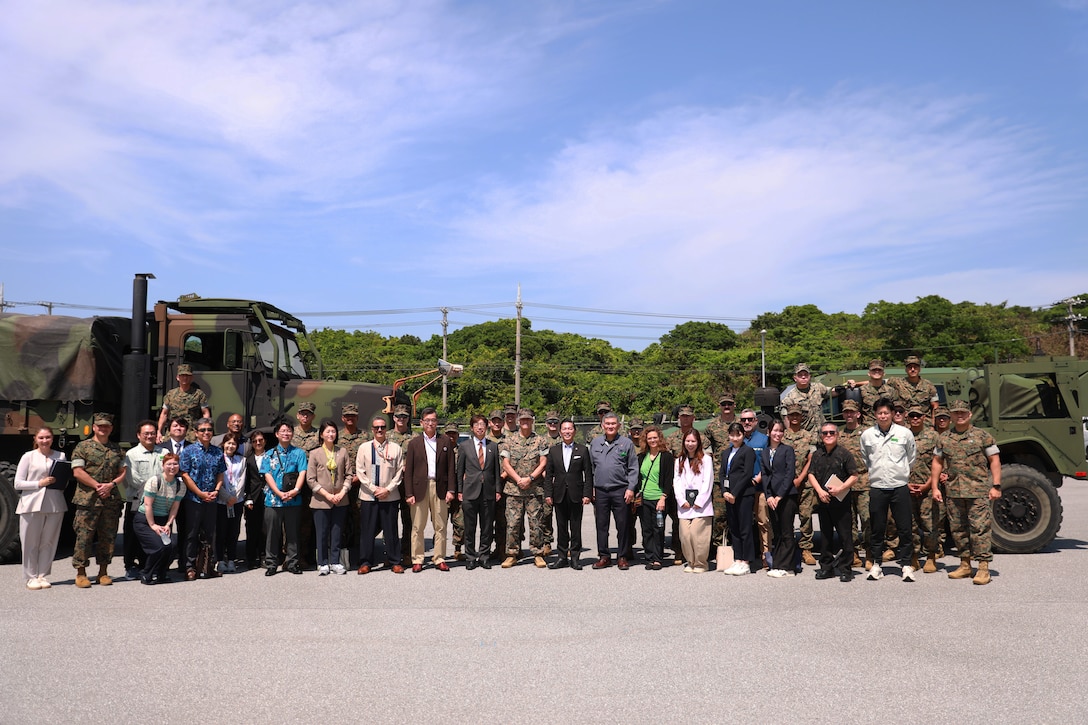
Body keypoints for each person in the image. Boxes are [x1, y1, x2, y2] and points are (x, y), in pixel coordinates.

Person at [930, 399, 1002, 585]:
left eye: (963, 412)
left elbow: (994, 460)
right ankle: (965, 564)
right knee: (958, 529)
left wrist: (996, 485)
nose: (959, 415)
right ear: (951, 416)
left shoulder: (982, 436)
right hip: (954, 491)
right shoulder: (944, 438)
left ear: (970, 414)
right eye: (956, 413)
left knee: (980, 529)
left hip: (978, 491)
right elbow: (937, 462)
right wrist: (935, 487)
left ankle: (983, 568)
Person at [861, 398, 918, 582]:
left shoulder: (904, 433)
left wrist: (901, 472)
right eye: (880, 413)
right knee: (877, 528)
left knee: (904, 527)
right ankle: (876, 564)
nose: (883, 416)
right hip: (878, 486)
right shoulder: (867, 435)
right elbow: (866, 458)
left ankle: (906, 564)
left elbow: (911, 457)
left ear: (893, 414)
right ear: (875, 415)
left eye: (886, 412)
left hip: (899, 486)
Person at [70, 412, 126, 588]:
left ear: (111, 428)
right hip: (88, 500)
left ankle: (103, 571)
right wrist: (97, 486)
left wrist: (111, 485)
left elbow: (123, 472)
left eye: (106, 426)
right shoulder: (83, 447)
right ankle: (81, 572)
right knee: (84, 536)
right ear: (94, 427)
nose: (103, 429)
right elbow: (77, 471)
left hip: (110, 500)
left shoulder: (117, 449)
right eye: (100, 426)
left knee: (108, 536)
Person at [14, 427, 67, 590]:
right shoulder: (28, 456)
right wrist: (39, 483)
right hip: (31, 504)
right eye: (41, 438)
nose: (45, 441)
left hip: (54, 503)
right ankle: (30, 577)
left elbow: (64, 480)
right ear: (35, 439)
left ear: (53, 438)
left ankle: (42, 575)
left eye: (48, 437)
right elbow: (18, 483)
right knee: (30, 542)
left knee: (49, 541)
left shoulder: (61, 456)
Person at [404, 407, 456, 572]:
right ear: (421, 423)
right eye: (427, 420)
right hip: (419, 487)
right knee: (417, 526)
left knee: (440, 526)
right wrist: (409, 493)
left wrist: (451, 490)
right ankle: (417, 559)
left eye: (433, 420)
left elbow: (451, 468)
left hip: (440, 487)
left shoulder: (445, 441)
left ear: (437, 422)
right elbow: (408, 471)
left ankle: (439, 558)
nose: (430, 423)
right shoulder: (414, 443)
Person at [587, 412, 638, 570]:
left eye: (613, 424)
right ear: (603, 425)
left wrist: (630, 488)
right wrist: (591, 488)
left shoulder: (626, 443)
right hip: (601, 490)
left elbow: (633, 468)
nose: (610, 426)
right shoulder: (595, 443)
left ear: (619, 426)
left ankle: (622, 556)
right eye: (607, 424)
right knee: (601, 525)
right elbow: (590, 469)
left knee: (623, 525)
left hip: (620, 490)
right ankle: (604, 556)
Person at [499, 409, 549, 569]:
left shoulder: (540, 440)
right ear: (518, 421)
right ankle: (511, 554)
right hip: (514, 489)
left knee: (536, 523)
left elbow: (543, 462)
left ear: (532, 421)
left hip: (534, 489)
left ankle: (538, 554)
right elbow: (505, 463)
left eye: (528, 419)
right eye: (523, 419)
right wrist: (518, 479)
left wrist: (530, 478)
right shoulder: (508, 440)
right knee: (512, 524)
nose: (525, 422)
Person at [809, 423, 858, 582]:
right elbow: (811, 474)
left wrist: (840, 488)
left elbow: (854, 476)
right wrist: (820, 491)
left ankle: (845, 569)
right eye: (825, 433)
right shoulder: (817, 454)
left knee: (845, 536)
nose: (828, 435)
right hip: (824, 500)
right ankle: (826, 567)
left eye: (831, 432)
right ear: (821, 436)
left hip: (841, 501)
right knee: (825, 536)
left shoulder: (845, 454)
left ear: (837, 434)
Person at [356, 415, 405, 574]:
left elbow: (399, 472)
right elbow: (360, 471)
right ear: (372, 429)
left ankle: (395, 561)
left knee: (391, 531)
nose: (379, 430)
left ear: (386, 429)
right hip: (369, 496)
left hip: (389, 496)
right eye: (376, 427)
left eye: (382, 427)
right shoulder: (364, 448)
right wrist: (373, 489)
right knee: (367, 531)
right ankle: (365, 562)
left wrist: (388, 489)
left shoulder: (395, 448)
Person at [179, 417, 225, 580]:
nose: (206, 432)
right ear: (196, 433)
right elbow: (185, 474)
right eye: (203, 430)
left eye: (209, 430)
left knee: (209, 534)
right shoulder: (188, 451)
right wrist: (199, 493)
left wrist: (216, 490)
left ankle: (207, 566)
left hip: (212, 499)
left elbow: (220, 473)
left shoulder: (217, 452)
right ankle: (189, 567)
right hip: (194, 499)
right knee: (191, 534)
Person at [261, 420, 308, 576]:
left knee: (293, 533)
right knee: (272, 534)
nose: (286, 433)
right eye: (283, 431)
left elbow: (302, 472)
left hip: (294, 500)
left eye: (289, 431)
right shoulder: (269, 454)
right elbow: (267, 475)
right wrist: (279, 493)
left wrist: (295, 490)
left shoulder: (299, 453)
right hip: (273, 500)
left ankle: (292, 562)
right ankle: (271, 563)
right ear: (276, 434)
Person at [456, 415, 501, 570]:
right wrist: (460, 490)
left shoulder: (493, 446)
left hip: (488, 491)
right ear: (472, 428)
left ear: (487, 427)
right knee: (470, 527)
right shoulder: (464, 446)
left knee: (487, 526)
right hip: (470, 491)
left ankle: (484, 556)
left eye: (482, 424)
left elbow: (496, 470)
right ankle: (470, 557)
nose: (480, 427)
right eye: (477, 425)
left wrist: (498, 489)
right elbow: (460, 470)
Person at [132, 453, 184, 585]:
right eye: (169, 464)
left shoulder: (180, 485)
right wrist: (152, 525)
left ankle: (161, 573)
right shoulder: (155, 481)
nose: (172, 467)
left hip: (163, 520)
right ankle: (146, 574)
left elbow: (175, 507)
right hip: (145, 520)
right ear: (163, 466)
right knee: (158, 547)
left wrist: (168, 524)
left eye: (175, 464)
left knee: (172, 546)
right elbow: (148, 505)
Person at [308, 419, 351, 575]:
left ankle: (335, 562)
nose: (331, 434)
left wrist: (342, 493)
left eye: (333, 431)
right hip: (321, 500)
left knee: (337, 532)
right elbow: (310, 479)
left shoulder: (342, 452)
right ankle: (322, 562)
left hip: (340, 499)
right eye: (328, 431)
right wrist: (326, 494)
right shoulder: (315, 453)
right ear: (321, 434)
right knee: (322, 532)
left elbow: (349, 475)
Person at [906, 406, 943, 573]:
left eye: (918, 416)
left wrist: (928, 484)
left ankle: (930, 556)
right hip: (907, 486)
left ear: (924, 417)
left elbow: (939, 462)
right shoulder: (902, 435)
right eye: (912, 415)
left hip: (928, 487)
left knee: (930, 524)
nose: (915, 418)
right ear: (908, 418)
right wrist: (906, 483)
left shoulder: (934, 436)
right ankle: (914, 557)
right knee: (910, 524)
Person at [122, 420, 162, 579]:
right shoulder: (131, 454)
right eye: (146, 433)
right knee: (132, 535)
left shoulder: (163, 452)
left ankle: (148, 565)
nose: (149, 436)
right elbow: (133, 479)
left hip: (158, 502)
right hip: (137, 500)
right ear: (138, 435)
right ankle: (130, 565)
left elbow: (168, 473)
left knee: (153, 535)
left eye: (152, 433)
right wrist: (156, 487)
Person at [762, 420, 798, 578]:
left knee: (787, 531)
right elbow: (765, 475)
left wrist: (779, 496)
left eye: (780, 431)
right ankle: (777, 564)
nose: (778, 434)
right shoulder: (765, 452)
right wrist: (769, 495)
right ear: (768, 432)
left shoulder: (787, 450)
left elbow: (790, 474)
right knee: (776, 532)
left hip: (786, 496)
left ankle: (788, 567)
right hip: (772, 497)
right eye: (775, 430)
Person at [673, 429, 714, 573]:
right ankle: (690, 562)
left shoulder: (706, 459)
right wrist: (680, 499)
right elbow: (676, 481)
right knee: (685, 535)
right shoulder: (679, 460)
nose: (690, 444)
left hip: (701, 505)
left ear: (698, 443)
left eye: (693, 441)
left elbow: (707, 481)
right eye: (687, 441)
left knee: (697, 534)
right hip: (684, 503)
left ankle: (701, 563)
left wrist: (700, 500)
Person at [721, 423, 757, 575]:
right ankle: (738, 559)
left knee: (745, 528)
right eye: (732, 435)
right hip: (729, 495)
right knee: (734, 528)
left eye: (738, 435)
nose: (735, 438)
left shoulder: (748, 451)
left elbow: (747, 474)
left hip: (743, 495)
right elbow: (722, 473)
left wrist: (734, 493)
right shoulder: (726, 452)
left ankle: (746, 561)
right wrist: (724, 491)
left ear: (743, 435)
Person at [838, 400, 870, 568]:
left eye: (852, 412)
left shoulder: (867, 433)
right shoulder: (839, 434)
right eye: (846, 412)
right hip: (845, 483)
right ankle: (854, 553)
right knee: (848, 521)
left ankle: (870, 553)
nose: (849, 414)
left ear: (858, 414)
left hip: (864, 480)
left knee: (867, 519)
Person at [782, 405, 816, 565]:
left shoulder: (809, 436)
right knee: (786, 517)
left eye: (797, 415)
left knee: (806, 516)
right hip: (786, 484)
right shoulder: (782, 437)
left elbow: (811, 459)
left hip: (805, 484)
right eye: (792, 415)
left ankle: (806, 549)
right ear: (788, 417)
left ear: (802, 417)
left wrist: (800, 478)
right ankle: (788, 547)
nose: (794, 417)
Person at [635, 425, 672, 570]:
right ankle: (649, 557)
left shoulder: (666, 457)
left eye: (655, 438)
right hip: (644, 499)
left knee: (658, 529)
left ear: (660, 438)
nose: (652, 440)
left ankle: (657, 558)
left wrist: (663, 497)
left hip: (659, 498)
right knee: (646, 529)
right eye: (649, 438)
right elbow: (638, 477)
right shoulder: (641, 457)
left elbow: (669, 479)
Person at [739, 409, 771, 569]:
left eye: (750, 419)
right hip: (742, 489)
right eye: (744, 420)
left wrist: (759, 477)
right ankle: (744, 555)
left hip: (759, 487)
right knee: (743, 523)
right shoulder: (737, 439)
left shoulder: (764, 440)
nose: (747, 422)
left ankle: (766, 554)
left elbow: (768, 462)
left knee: (763, 522)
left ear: (756, 421)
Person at [388, 404, 416, 566]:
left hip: (408, 484)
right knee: (389, 520)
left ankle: (407, 553)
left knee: (408, 521)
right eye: (398, 416)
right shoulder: (386, 436)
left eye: (404, 416)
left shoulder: (415, 437)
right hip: (390, 484)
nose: (401, 419)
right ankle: (390, 553)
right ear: (394, 418)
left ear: (408, 418)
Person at [215, 433, 247, 573]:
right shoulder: (218, 458)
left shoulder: (242, 460)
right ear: (223, 444)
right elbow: (216, 479)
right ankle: (220, 560)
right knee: (220, 531)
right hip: (221, 500)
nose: (231, 446)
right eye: (228, 443)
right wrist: (226, 497)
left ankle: (232, 560)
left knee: (234, 531)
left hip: (237, 501)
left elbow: (242, 479)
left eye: (233, 444)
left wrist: (235, 497)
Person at [156, 364, 210, 443]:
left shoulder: (198, 394)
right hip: (173, 432)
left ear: (192, 378)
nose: (185, 378)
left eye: (187, 376)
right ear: (177, 377)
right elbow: (164, 414)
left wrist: (204, 430)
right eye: (182, 376)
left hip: (191, 434)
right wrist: (159, 431)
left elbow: (205, 413)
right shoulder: (171, 394)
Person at [242, 429, 269, 569]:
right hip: (253, 497)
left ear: (265, 441)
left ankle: (264, 556)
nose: (258, 443)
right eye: (255, 441)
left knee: (265, 529)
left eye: (260, 440)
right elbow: (245, 480)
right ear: (251, 443)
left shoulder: (270, 456)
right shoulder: (247, 459)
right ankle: (251, 558)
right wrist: (248, 498)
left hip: (268, 497)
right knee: (252, 529)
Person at [780, 363, 833, 432]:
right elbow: (785, 417)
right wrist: (792, 434)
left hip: (822, 432)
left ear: (809, 376)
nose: (803, 377)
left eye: (806, 375)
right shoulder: (790, 397)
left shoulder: (818, 387)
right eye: (800, 375)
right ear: (795, 378)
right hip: (806, 434)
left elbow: (831, 393)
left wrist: (843, 388)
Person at [847, 359, 900, 426]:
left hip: (887, 425)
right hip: (868, 426)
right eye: (874, 370)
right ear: (869, 373)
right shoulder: (861, 390)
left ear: (884, 373)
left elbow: (896, 410)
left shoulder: (891, 391)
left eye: (879, 370)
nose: (877, 371)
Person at [444, 421, 467, 562]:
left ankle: (458, 549)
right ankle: (439, 551)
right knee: (440, 523)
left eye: (454, 433)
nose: (451, 436)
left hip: (459, 491)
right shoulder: (439, 450)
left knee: (460, 523)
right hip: (443, 492)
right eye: (449, 434)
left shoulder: (462, 450)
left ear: (458, 435)